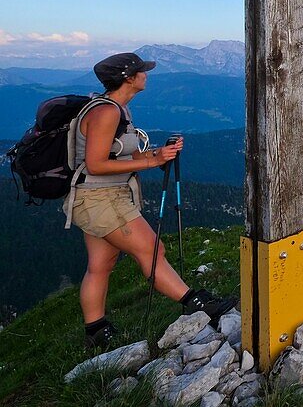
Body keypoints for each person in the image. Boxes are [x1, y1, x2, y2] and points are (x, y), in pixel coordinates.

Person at [67, 52, 235, 349]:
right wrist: (150, 163)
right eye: (142, 71)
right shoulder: (107, 112)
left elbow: (122, 156)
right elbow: (95, 164)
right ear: (128, 78)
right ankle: (196, 303)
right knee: (152, 250)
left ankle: (96, 331)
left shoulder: (118, 110)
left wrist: (160, 154)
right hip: (100, 200)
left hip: (98, 198)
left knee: (100, 265)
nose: (147, 74)